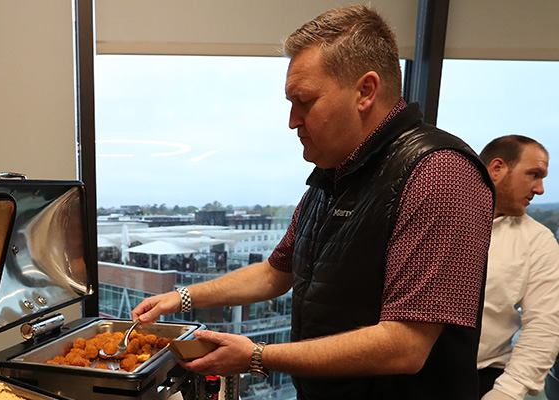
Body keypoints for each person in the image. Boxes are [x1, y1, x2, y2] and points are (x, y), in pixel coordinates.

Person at [131, 5, 495, 400]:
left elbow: (405, 346)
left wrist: (258, 355)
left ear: (365, 92)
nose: (292, 120)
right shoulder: (331, 178)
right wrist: (180, 298)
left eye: (304, 101)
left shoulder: (440, 174)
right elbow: (275, 273)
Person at [477, 136, 559, 400]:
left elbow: (544, 324)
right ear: (497, 169)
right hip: (397, 373)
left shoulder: (538, 241)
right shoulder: (434, 217)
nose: (541, 189)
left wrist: (507, 393)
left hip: (483, 378)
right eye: (533, 175)